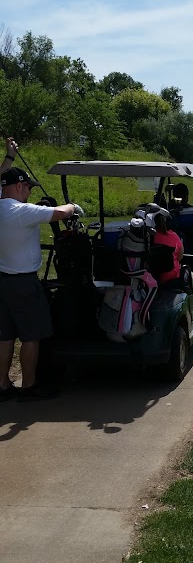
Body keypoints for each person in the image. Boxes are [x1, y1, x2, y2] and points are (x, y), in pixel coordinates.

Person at [0, 160, 85, 401]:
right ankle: (29, 386)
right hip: (24, 283)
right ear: (19, 186)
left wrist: (8, 158)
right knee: (31, 336)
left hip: (2, 281)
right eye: (28, 188)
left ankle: (3, 385)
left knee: (4, 336)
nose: (28, 193)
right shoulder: (21, 212)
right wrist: (72, 205)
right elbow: (60, 213)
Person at [148, 211, 185, 285]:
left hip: (152, 278)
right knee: (191, 276)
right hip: (172, 278)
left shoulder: (149, 237)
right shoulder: (174, 236)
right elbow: (180, 257)